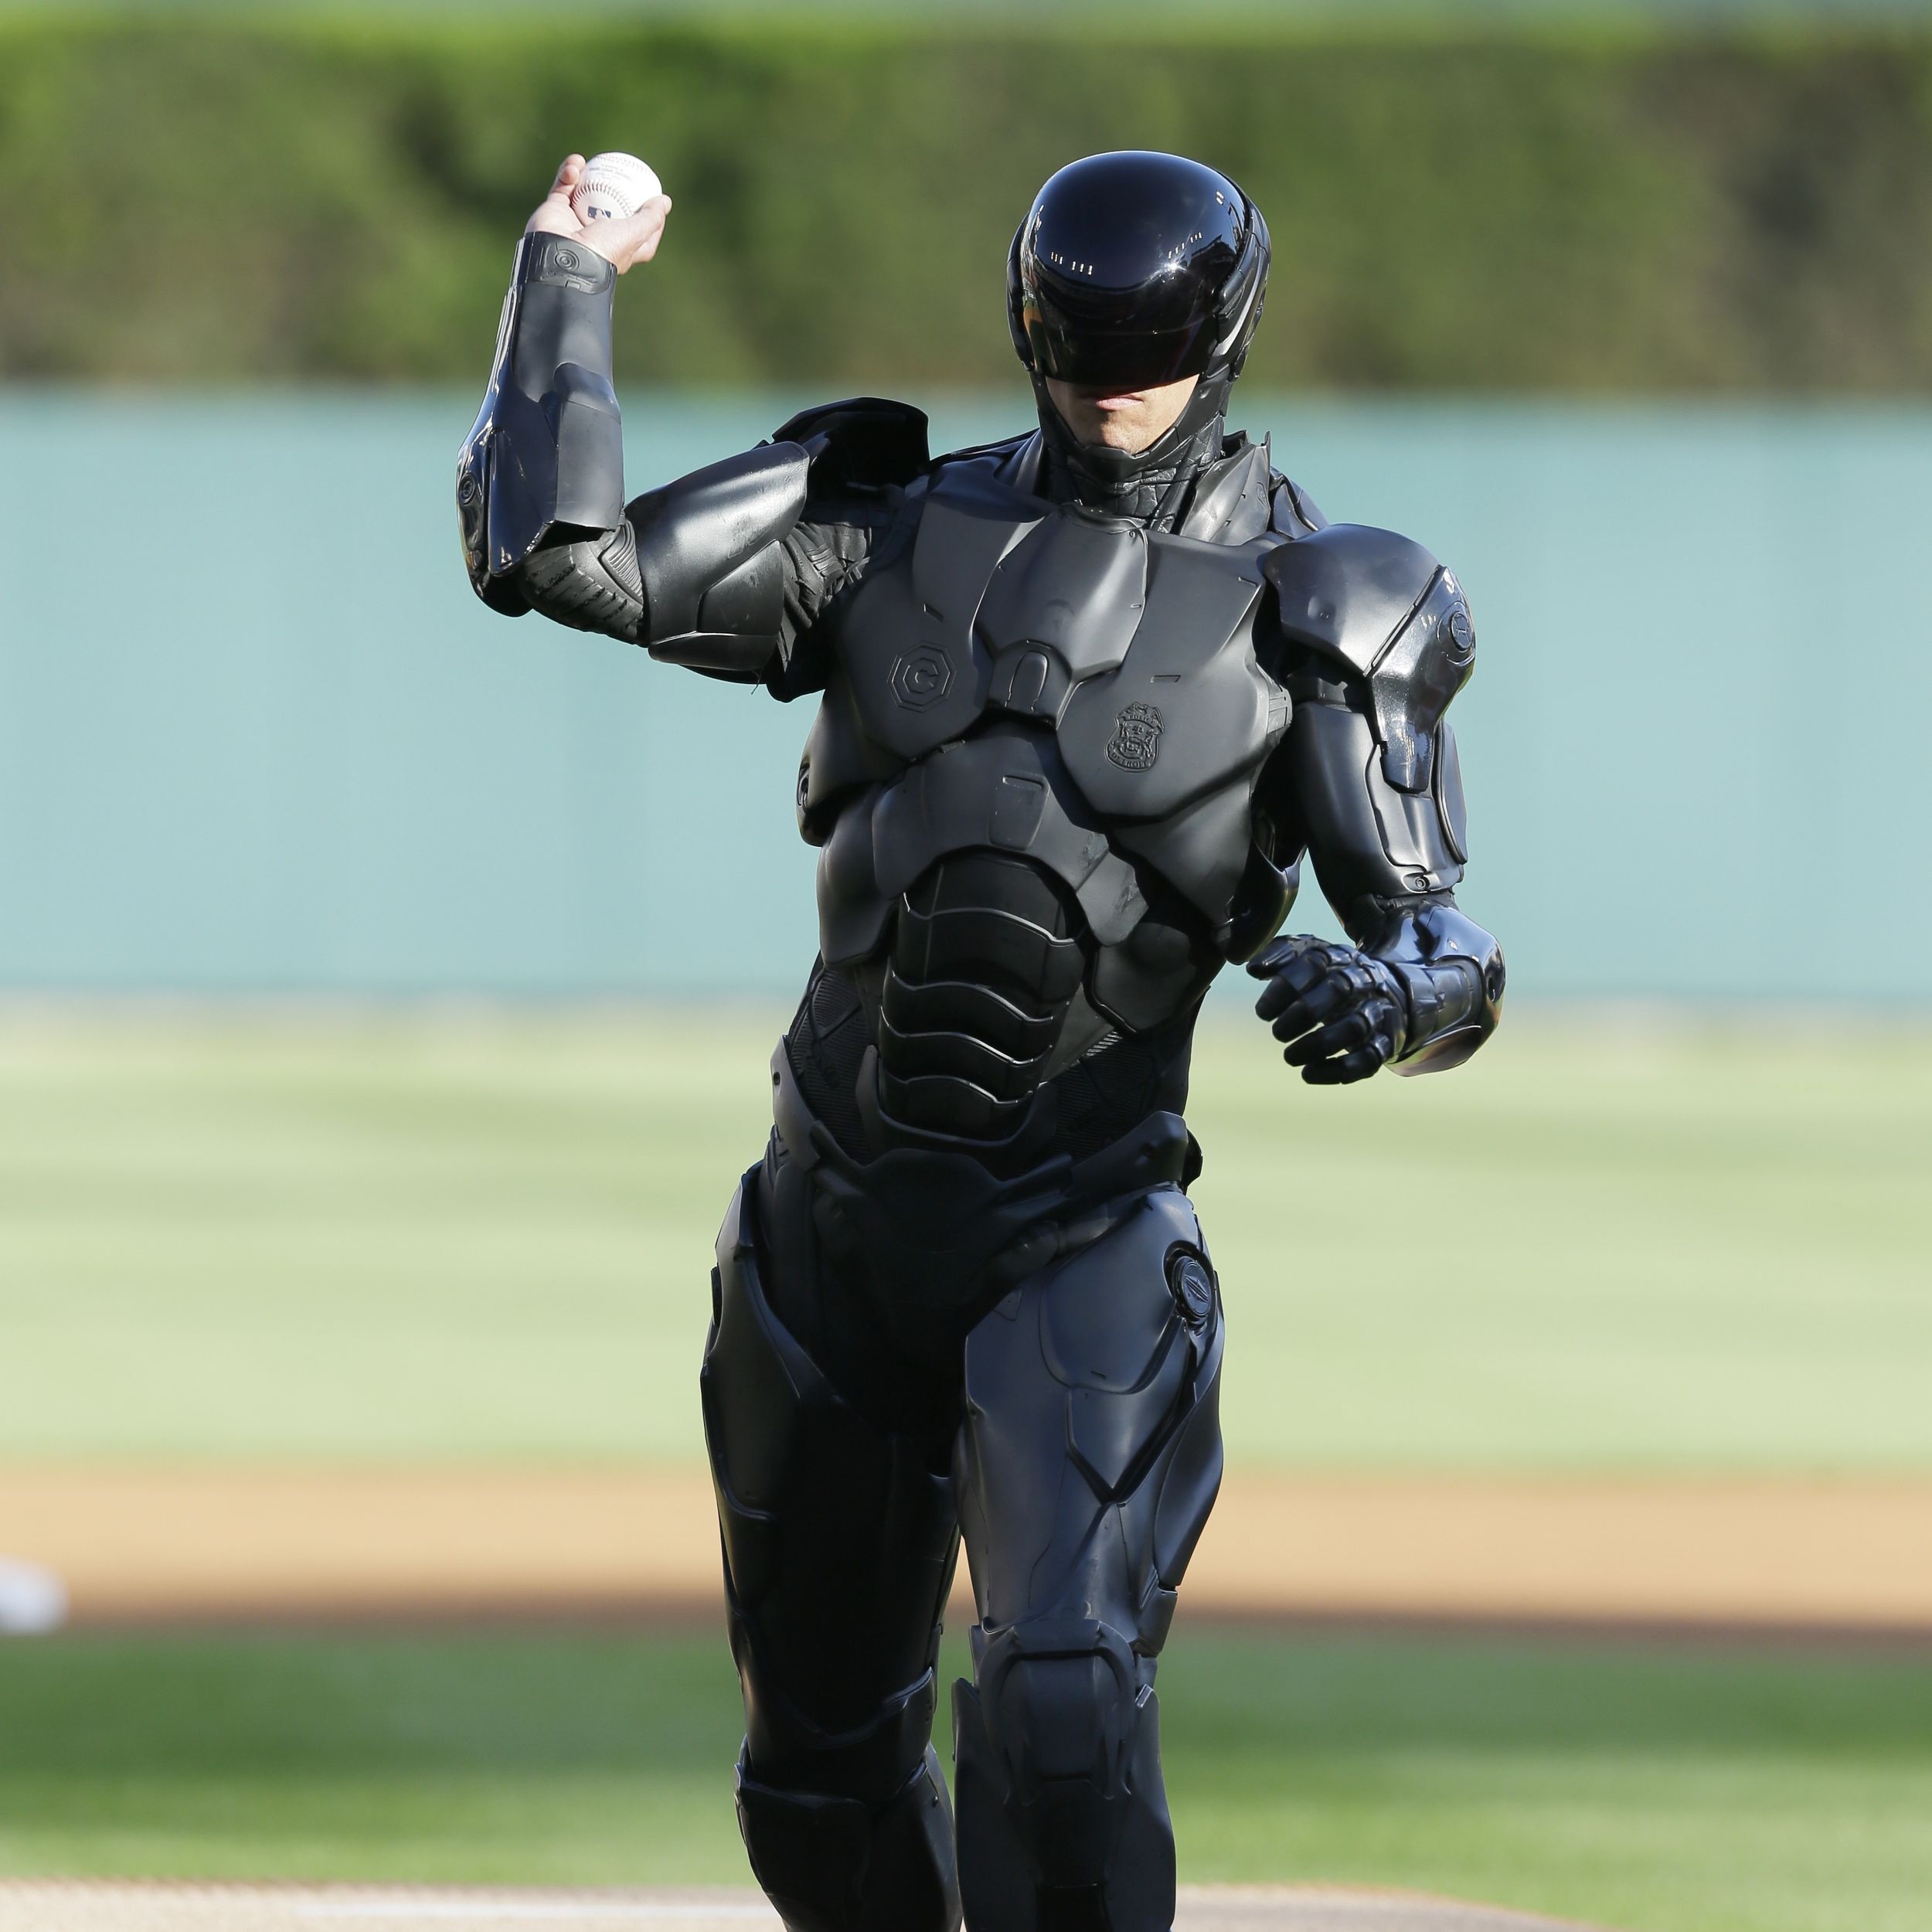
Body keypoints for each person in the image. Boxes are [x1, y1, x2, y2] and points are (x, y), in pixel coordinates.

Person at [457, 148, 1504, 1932]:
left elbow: (1442, 934)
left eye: (1150, 348)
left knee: (1064, 1702)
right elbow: (555, 555)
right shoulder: (887, 524)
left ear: (1224, 332)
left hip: (1077, 1228)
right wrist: (565, 273)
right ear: (1025, 322)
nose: (1113, 383)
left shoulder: (1318, 607)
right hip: (832, 1219)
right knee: (813, 1773)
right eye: (1078, 342)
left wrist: (1393, 992)